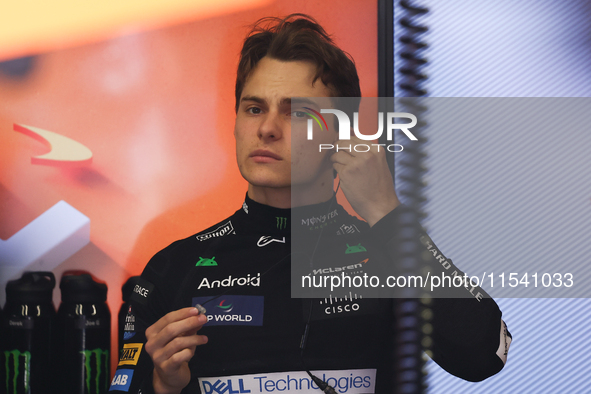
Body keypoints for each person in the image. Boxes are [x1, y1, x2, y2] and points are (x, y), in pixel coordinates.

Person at [109, 14, 511, 394]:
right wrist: (163, 386)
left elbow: (482, 355)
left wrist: (386, 213)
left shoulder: (387, 253)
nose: (266, 129)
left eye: (296, 113)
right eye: (253, 109)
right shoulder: (171, 270)